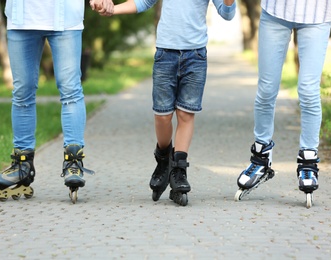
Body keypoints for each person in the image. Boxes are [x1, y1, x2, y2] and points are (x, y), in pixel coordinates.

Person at [91, 0, 236, 206]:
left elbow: (227, 13)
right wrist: (114, 9)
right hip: (165, 54)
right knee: (162, 115)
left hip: (195, 55)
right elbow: (143, 2)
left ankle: (179, 171)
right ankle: (163, 158)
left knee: (186, 114)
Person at [0, 0, 114, 203]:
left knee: (70, 91)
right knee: (22, 94)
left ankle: (73, 162)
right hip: (22, 19)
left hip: (66, 18)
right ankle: (22, 165)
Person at [235, 0, 331, 208]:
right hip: (277, 8)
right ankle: (261, 157)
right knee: (267, 89)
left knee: (308, 90)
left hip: (318, 11)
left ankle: (308, 160)